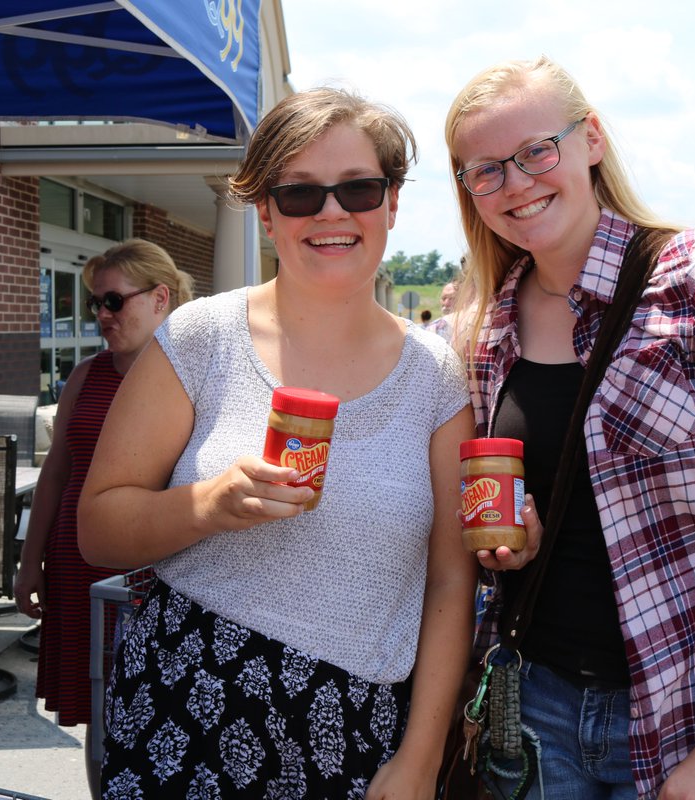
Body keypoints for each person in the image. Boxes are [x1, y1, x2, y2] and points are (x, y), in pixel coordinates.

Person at [444, 57, 695, 800]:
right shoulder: (488, 323)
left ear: (590, 139)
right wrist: (509, 541)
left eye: (535, 152)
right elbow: (534, 509)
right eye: (485, 170)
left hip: (689, 708)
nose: (516, 184)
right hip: (536, 708)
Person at [78, 87, 475, 799]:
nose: (331, 212)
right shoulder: (201, 337)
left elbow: (451, 578)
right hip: (189, 698)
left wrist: (421, 755)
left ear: (391, 204)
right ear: (265, 212)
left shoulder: (435, 376)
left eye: (358, 188)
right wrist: (209, 504)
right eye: (300, 194)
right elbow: (98, 527)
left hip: (356, 724)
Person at [12, 239, 193, 796]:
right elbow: (57, 472)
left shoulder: (192, 374)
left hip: (156, 565)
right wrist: (29, 560)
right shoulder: (86, 376)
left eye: (114, 301)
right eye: (95, 303)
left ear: (160, 298)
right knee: (97, 707)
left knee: (164, 705)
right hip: (76, 557)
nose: (101, 316)